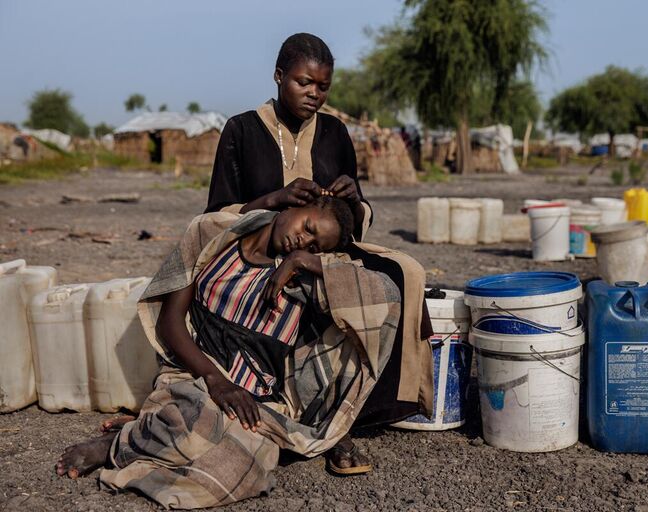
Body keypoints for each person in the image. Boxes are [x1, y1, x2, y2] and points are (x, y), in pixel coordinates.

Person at [56, 197, 404, 508]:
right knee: (197, 416)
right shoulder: (213, 240)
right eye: (308, 227)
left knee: (247, 466)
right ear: (293, 207)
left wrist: (306, 262)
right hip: (195, 375)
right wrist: (216, 381)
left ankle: (149, 432)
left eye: (314, 245)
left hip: (257, 401)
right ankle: (119, 445)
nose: (304, 240)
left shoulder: (304, 278)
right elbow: (170, 321)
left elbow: (386, 295)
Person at [204, 32, 434, 469]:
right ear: (278, 77)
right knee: (320, 294)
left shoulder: (334, 132)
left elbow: (348, 222)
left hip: (320, 249)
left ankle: (361, 409)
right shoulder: (241, 130)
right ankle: (321, 422)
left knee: (402, 275)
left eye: (323, 87)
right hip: (257, 252)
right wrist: (273, 200)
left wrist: (354, 200)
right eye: (303, 83)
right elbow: (216, 216)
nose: (314, 94)